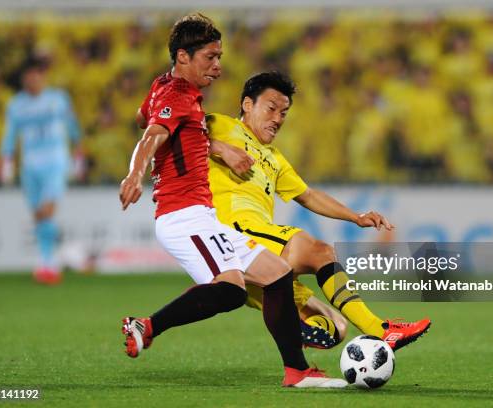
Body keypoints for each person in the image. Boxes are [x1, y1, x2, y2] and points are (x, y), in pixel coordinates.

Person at [118, 14, 346, 389]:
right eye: (210, 57)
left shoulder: (168, 89)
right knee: (232, 291)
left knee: (276, 275)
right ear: (183, 56)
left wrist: (211, 145)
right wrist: (135, 174)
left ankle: (297, 372)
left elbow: (146, 116)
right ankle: (147, 325)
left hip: (203, 216)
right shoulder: (175, 94)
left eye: (219, 56)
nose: (218, 66)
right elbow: (152, 133)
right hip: (181, 215)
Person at [207, 71, 431, 350]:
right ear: (247, 104)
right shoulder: (220, 124)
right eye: (272, 108)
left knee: (335, 327)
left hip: (257, 252)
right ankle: (381, 330)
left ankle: (295, 358)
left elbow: (309, 196)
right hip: (233, 232)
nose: (278, 119)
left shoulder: (274, 158)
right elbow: (178, 134)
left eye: (284, 113)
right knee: (319, 251)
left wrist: (355, 216)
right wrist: (220, 148)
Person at [0, 56, 83, 285]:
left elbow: (72, 126)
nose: (32, 79)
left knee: (47, 209)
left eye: (36, 75)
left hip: (56, 162)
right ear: (24, 80)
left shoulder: (58, 99)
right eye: (28, 76)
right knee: (38, 215)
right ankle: (52, 261)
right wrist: (6, 161)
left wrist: (78, 155)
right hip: (30, 166)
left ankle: (53, 259)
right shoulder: (16, 104)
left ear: (42, 77)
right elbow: (10, 134)